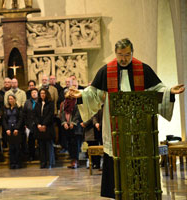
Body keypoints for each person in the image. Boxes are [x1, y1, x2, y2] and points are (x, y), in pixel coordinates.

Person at [70, 38, 185, 198]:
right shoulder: (106, 71)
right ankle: (116, 194)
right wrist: (81, 94)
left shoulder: (142, 69)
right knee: (114, 159)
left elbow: (157, 90)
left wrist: (169, 92)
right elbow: (94, 94)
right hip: (114, 128)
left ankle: (139, 191)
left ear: (132, 53)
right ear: (116, 54)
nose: (123, 58)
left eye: (127, 54)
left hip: (139, 129)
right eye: (120, 55)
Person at [34, 88, 55, 169]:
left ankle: (50, 162)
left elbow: (50, 114)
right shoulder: (37, 103)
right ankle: (43, 162)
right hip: (39, 128)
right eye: (41, 93)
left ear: (47, 94)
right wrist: (38, 124)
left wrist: (44, 124)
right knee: (41, 146)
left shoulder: (50, 103)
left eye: (44, 93)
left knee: (48, 145)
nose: (42, 95)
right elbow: (35, 115)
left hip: (48, 127)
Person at [2, 94, 23, 169]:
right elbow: (4, 120)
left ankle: (18, 163)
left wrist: (17, 128)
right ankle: (12, 163)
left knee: (17, 147)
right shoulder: (6, 108)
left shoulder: (19, 107)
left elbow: (20, 119)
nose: (10, 100)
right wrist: (7, 129)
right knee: (11, 148)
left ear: (15, 99)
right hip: (9, 130)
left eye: (11, 99)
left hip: (17, 130)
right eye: (9, 99)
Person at [23, 88, 38, 161]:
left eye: (35, 92)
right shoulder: (27, 102)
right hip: (29, 124)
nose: (34, 94)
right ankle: (31, 155)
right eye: (33, 93)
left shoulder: (40, 101)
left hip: (38, 124)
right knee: (31, 141)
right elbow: (24, 114)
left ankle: (40, 155)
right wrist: (26, 123)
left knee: (39, 141)